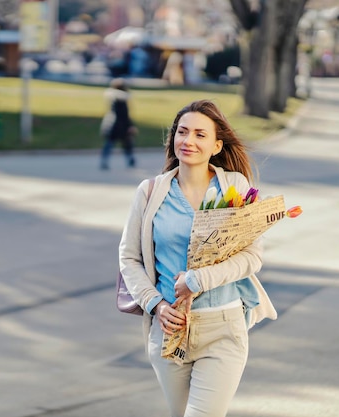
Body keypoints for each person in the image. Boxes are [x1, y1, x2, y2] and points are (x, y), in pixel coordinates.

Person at [119, 100, 277, 417]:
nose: (189, 141)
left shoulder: (234, 187)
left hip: (223, 326)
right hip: (169, 330)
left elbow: (251, 256)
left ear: (216, 145)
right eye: (182, 132)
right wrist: (156, 304)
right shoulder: (150, 192)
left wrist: (199, 279)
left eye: (200, 135)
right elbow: (129, 258)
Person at [99, 78, 137, 170]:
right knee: (126, 143)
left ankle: (104, 160)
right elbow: (124, 115)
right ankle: (130, 159)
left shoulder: (112, 97)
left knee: (110, 143)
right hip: (119, 125)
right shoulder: (122, 99)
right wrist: (130, 126)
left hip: (110, 122)